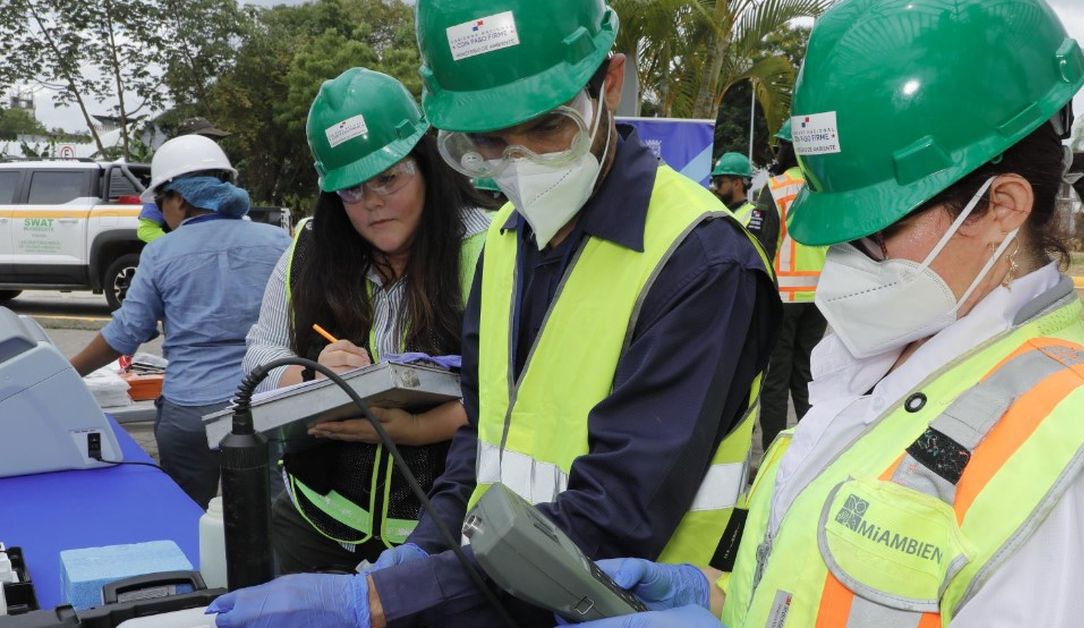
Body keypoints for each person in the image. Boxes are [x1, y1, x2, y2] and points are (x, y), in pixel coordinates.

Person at [571, 0, 1084, 626]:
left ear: (1000, 207)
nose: (842, 260)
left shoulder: (1076, 469)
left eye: (869, 229)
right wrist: (717, 597)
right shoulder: (872, 363)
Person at [207, 0, 778, 625]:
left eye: (546, 129)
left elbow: (613, 512)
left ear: (608, 84)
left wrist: (382, 600)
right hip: (494, 594)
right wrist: (425, 548)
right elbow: (482, 442)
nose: (519, 165)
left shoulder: (699, 262)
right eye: (487, 142)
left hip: (617, 609)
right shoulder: (509, 237)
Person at [239, 67, 492, 575]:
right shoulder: (311, 248)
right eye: (351, 190)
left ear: (424, 164)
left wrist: (419, 429)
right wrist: (310, 372)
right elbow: (257, 359)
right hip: (317, 517)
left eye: (387, 178)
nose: (373, 203)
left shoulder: (489, 246)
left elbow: (515, 392)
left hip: (442, 531)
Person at [70, 135, 290, 507]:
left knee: (187, 518)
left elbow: (125, 335)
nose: (159, 213)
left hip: (190, 414)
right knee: (271, 521)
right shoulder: (278, 241)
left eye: (159, 202)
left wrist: (64, 373)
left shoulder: (160, 253)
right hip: (264, 407)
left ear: (179, 198)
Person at [754, 119, 827, 450]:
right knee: (806, 376)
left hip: (782, 296)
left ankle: (771, 450)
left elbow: (761, 245)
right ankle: (811, 447)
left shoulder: (777, 188)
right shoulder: (825, 188)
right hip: (818, 297)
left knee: (775, 380)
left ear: (785, 149)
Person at [138, 117, 234, 244]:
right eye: (206, 140)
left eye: (213, 141)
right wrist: (181, 247)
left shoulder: (221, 176)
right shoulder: (167, 181)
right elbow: (147, 229)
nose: (212, 145)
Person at [711, 151, 778, 259]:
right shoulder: (714, 213)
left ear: (737, 183)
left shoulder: (754, 216)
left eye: (719, 182)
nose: (715, 188)